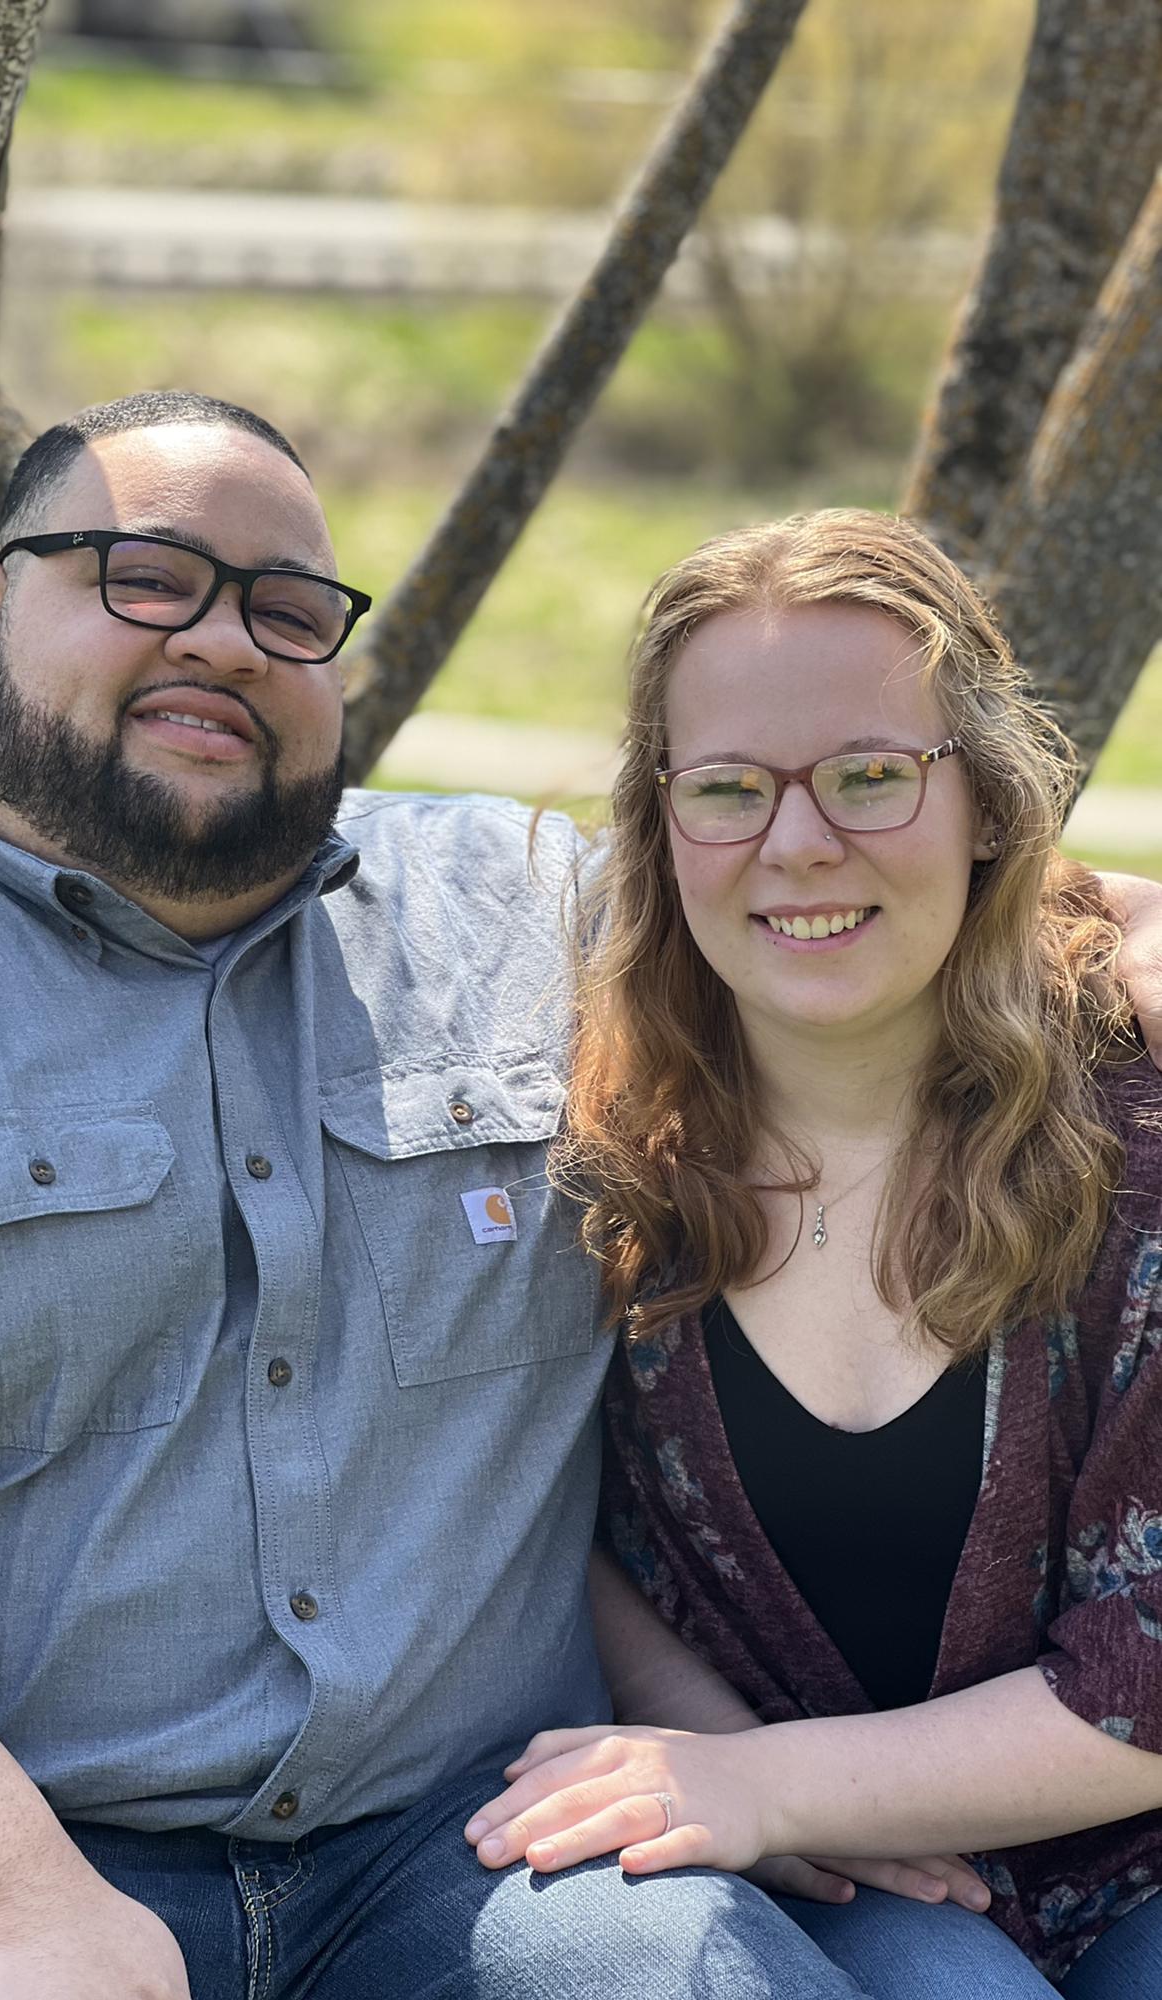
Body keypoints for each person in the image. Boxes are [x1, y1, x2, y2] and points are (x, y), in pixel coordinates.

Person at [0, 393, 946, 2000]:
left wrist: (1113, 943)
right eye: (146, 578)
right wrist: (17, 1900)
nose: (224, 640)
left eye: (286, 610)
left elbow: (869, 910)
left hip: (464, 1849)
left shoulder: (526, 913)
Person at [460, 511, 1162, 1996]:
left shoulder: (1136, 1131)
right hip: (829, 1875)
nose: (797, 843)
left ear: (986, 800)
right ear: (660, 822)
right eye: (728, 787)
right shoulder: (589, 1147)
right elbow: (543, 1515)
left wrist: (780, 1786)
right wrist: (726, 1760)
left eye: (868, 775)